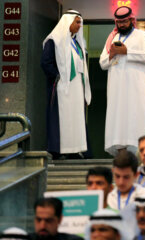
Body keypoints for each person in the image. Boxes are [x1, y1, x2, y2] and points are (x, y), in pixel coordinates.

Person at [99, 6, 145, 156]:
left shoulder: (142, 36)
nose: (122, 25)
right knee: (118, 118)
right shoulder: (112, 38)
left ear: (131, 20)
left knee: (135, 116)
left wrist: (126, 52)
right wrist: (112, 55)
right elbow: (102, 63)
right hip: (116, 88)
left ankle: (139, 152)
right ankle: (120, 151)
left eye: (124, 21)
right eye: (119, 22)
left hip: (136, 88)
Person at [41, 10, 91, 159]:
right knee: (61, 119)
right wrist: (57, 77)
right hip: (61, 88)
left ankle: (74, 150)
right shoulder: (53, 40)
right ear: (67, 21)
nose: (79, 25)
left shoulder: (76, 43)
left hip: (76, 88)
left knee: (75, 119)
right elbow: (46, 63)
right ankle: (58, 151)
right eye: (77, 22)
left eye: (80, 22)